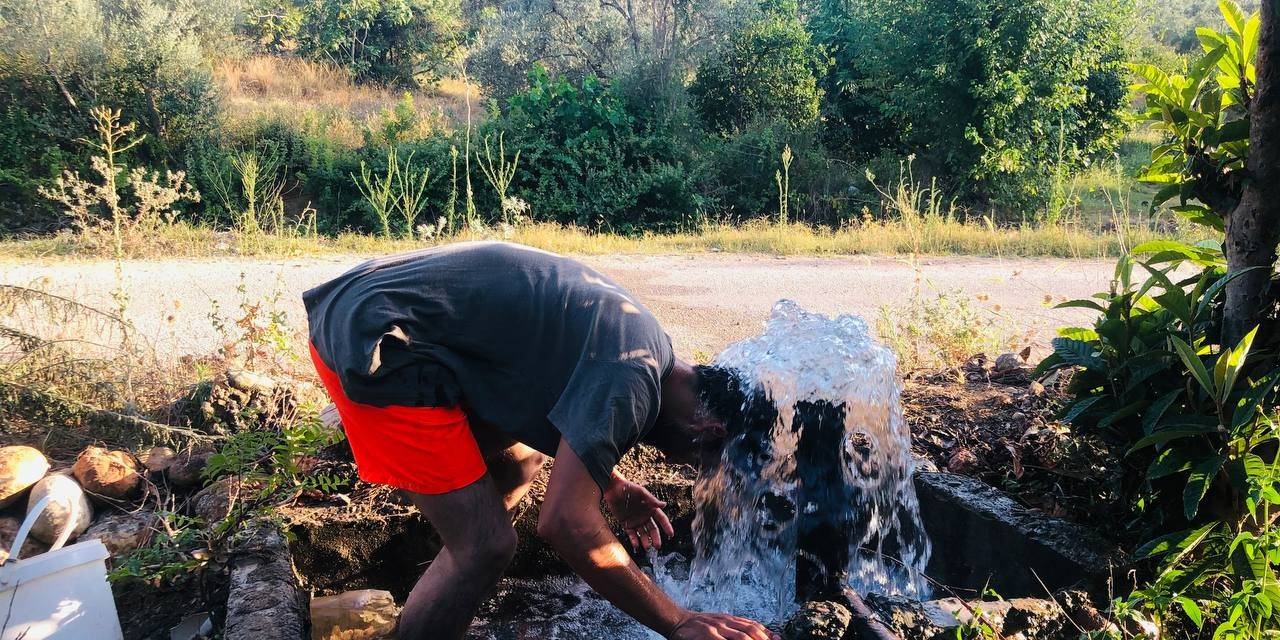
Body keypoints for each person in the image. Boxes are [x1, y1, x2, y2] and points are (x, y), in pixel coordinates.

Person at [303, 242, 777, 640]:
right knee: (486, 546)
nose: (685, 469)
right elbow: (565, 524)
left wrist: (609, 483)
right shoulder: (631, 381)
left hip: (378, 310)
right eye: (700, 465)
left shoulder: (649, 352)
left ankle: (445, 584)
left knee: (517, 468)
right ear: (708, 433)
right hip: (378, 345)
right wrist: (678, 622)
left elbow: (553, 392)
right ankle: (455, 570)